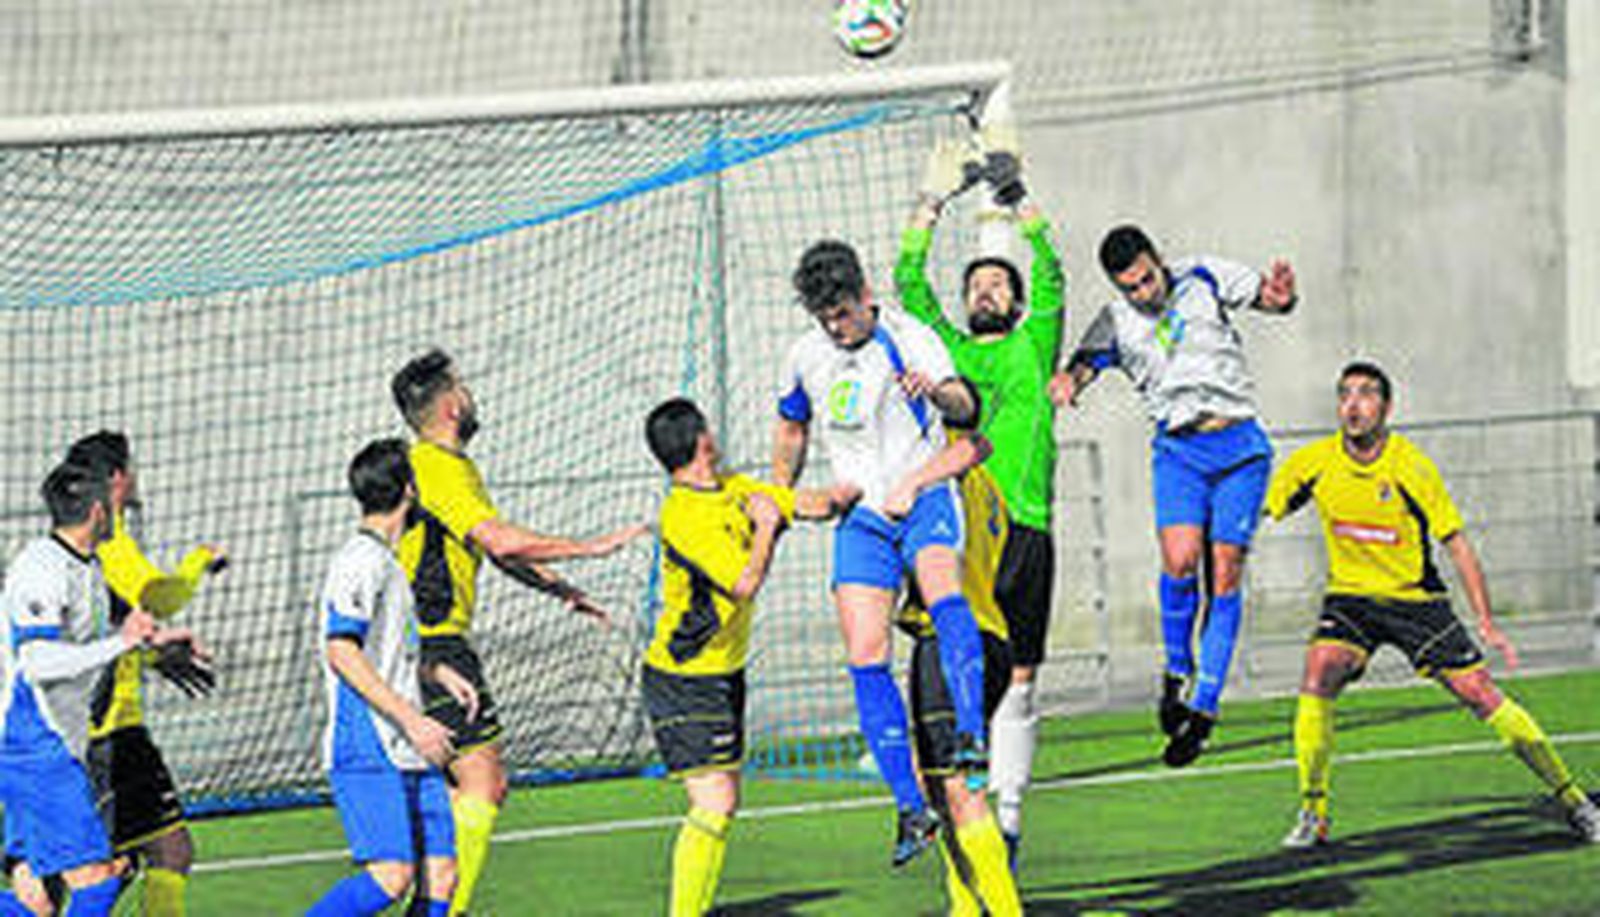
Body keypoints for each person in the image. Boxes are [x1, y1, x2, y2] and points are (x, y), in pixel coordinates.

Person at [1263, 361, 1599, 847]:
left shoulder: (1410, 466)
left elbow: (1456, 542)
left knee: (1480, 693)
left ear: (1387, 407)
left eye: (1366, 394)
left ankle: (1575, 801)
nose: (1353, 404)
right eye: (1345, 395)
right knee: (1319, 670)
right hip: (1351, 600)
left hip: (1416, 603)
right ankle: (1313, 813)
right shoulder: (1313, 462)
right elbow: (1263, 504)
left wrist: (1486, 621)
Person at [389, 349, 648, 914]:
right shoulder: (432, 466)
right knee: (483, 786)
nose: (471, 394)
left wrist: (561, 589)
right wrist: (592, 546)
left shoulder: (451, 468)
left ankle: (431, 897)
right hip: (434, 645)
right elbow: (501, 539)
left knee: (467, 788)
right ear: (453, 403)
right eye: (465, 386)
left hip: (433, 642)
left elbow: (496, 552)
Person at [1050, 224, 1297, 766]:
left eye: (1146, 279)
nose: (1143, 294)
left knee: (1225, 568)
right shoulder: (1116, 320)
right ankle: (1177, 667)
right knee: (1180, 560)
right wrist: (1071, 381)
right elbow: (1084, 364)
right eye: (1130, 288)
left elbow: (1269, 297)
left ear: (1158, 260)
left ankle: (1203, 710)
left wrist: (1282, 298)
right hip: (1179, 454)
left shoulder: (1204, 275)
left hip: (1238, 446)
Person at [774, 239, 988, 866]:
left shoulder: (907, 334)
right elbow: (791, 425)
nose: (835, 327)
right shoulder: (806, 354)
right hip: (861, 517)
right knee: (865, 653)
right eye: (824, 318)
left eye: (841, 312)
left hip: (921, 496)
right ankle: (909, 808)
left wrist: (937, 391)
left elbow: (967, 408)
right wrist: (782, 500)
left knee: (944, 593)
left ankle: (971, 734)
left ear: (864, 294)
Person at [896, 131, 1065, 862]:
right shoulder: (948, 352)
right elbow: (907, 286)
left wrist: (1015, 196)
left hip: (1027, 528)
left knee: (1021, 675)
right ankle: (950, 789)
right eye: (975, 285)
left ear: (1017, 301)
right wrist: (931, 203)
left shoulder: (1032, 345)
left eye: (997, 284)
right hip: (964, 533)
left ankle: (1012, 817)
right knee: (960, 663)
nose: (983, 291)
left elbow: (1053, 271)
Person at [641, 398, 857, 916]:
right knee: (714, 803)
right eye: (709, 428)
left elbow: (795, 502)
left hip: (724, 670)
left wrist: (853, 493)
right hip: (683, 675)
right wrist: (763, 528)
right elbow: (743, 582)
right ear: (701, 441)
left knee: (724, 800)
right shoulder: (683, 515)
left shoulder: (731, 486)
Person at [0, 462, 200, 916]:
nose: (117, 512)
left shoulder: (86, 567)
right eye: (111, 506)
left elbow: (101, 642)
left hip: (57, 747)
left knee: (37, 900)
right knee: (100, 880)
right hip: (34, 747)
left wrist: (154, 644)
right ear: (97, 510)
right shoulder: (42, 568)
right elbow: (36, 662)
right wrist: (121, 642)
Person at [51, 431, 223, 917]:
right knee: (93, 873)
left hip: (104, 731)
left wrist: (154, 654)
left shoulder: (73, 549)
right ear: (119, 479)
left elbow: (110, 630)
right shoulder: (113, 543)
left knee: (148, 855)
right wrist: (199, 563)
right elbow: (158, 596)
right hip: (107, 735)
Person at [308, 439, 472, 916]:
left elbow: (382, 653)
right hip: (369, 743)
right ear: (409, 489)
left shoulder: (388, 562)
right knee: (390, 878)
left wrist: (435, 671)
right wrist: (415, 721)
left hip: (405, 743)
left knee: (440, 876)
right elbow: (342, 650)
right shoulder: (359, 561)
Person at [895, 432, 1022, 917]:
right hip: (992, 639)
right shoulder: (989, 489)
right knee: (943, 784)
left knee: (956, 789)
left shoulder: (931, 470)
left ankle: (1002, 909)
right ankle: (965, 906)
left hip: (949, 644)